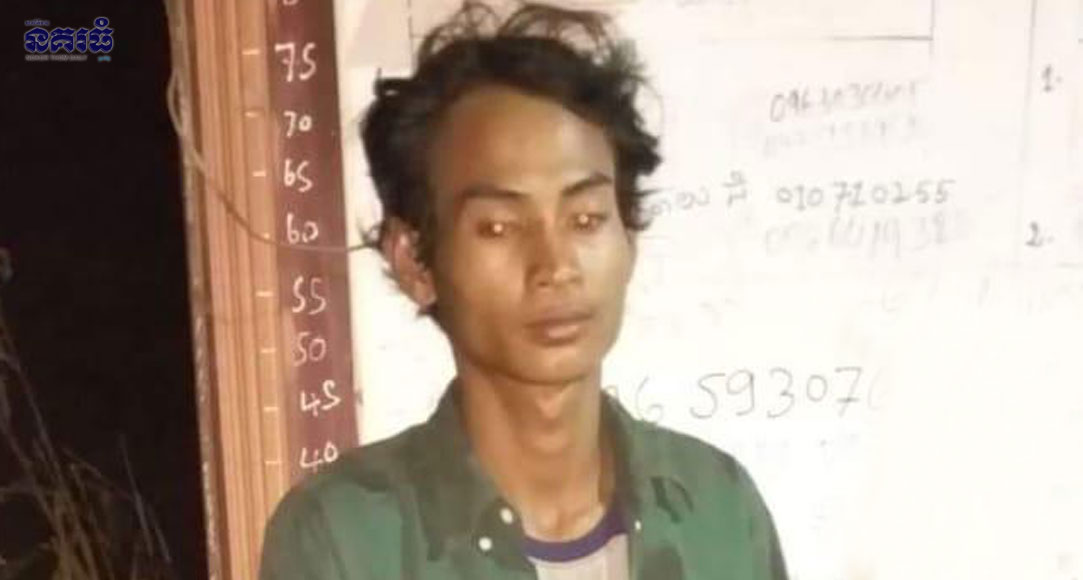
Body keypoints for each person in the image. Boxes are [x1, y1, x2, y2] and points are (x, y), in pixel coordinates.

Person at [260, 2, 788, 578]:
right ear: (415, 262)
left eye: (585, 219)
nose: (554, 266)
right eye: (498, 227)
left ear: (629, 236)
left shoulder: (719, 512)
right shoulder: (345, 538)